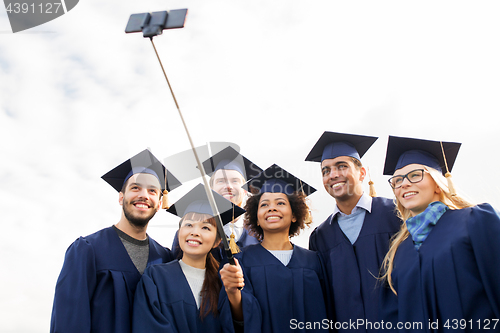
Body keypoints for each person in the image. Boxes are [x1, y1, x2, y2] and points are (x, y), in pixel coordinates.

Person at [50, 149, 181, 333]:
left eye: (152, 190)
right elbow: (69, 322)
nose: (144, 195)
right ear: (121, 197)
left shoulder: (165, 258)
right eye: (135, 188)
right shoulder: (87, 250)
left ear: (159, 203)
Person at [379, 136, 500, 332]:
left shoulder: (475, 221)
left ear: (437, 183)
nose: (404, 184)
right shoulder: (398, 252)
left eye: (415, 175)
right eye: (397, 180)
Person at [305, 131, 402, 332]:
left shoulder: (395, 214)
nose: (333, 175)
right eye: (326, 170)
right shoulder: (320, 237)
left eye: (342, 166)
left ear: (362, 173)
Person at [219, 164, 328, 332]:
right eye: (264, 205)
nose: (272, 208)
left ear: (294, 215)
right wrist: (233, 292)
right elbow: (239, 322)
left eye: (281, 202)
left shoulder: (314, 261)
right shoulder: (241, 261)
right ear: (255, 217)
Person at [132, 183, 243, 333]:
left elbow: (236, 326)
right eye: (189, 225)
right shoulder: (155, 277)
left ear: (217, 241)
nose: (195, 232)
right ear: (179, 232)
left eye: (205, 227)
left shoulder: (222, 282)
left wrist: (234, 293)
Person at [172, 146, 262, 260]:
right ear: (211, 189)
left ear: (245, 190)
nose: (228, 186)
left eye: (235, 181)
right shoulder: (187, 234)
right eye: (221, 181)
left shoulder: (259, 234)